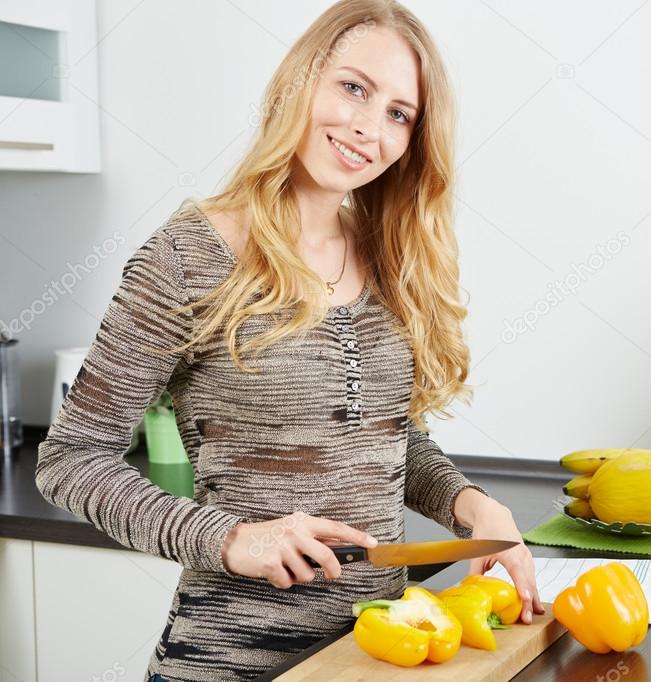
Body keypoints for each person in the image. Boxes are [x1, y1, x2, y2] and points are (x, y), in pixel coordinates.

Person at [35, 1, 543, 679]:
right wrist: (232, 538)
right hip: (226, 661)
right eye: (353, 87)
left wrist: (468, 503)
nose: (368, 127)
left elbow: (386, 439)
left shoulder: (387, 255)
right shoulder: (191, 256)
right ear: (299, 80)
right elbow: (70, 460)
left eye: (399, 114)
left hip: (372, 657)